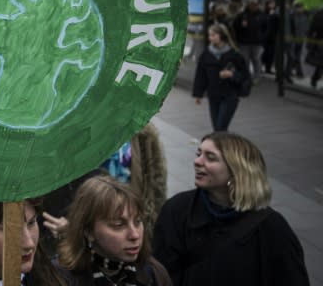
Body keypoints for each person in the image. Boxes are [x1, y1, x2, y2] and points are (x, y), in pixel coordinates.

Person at [153, 132, 309, 286]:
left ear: (237, 170)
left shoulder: (272, 227)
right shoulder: (177, 209)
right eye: (199, 154)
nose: (197, 161)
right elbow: (162, 272)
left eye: (210, 157)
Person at [55, 175, 172, 286]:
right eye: (118, 225)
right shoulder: (59, 278)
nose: (135, 235)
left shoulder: (155, 273)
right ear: (88, 231)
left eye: (138, 221)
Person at [192, 23, 248, 131]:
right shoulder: (206, 54)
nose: (210, 38)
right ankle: (222, 147)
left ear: (221, 36)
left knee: (220, 127)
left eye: (213, 35)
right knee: (216, 127)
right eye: (209, 35)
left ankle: (222, 146)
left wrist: (232, 74)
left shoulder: (234, 54)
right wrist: (198, 94)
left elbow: (245, 75)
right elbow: (200, 75)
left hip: (229, 95)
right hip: (213, 95)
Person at [231, 0, 267, 81]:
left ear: (257, 5)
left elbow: (267, 28)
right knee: (244, 60)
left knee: (256, 60)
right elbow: (235, 26)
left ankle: (257, 76)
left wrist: (262, 38)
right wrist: (239, 36)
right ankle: (246, 76)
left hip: (257, 43)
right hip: (244, 42)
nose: (253, 6)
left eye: (255, 4)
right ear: (248, 5)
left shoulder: (262, 15)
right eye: (251, 4)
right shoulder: (242, 15)